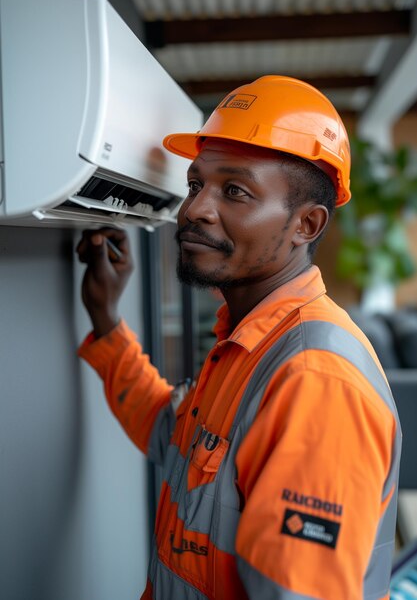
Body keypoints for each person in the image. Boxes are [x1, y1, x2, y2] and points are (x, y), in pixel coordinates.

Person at [77, 76, 401, 600]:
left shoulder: (315, 382)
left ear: (307, 224)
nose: (195, 210)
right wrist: (108, 323)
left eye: (235, 191)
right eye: (195, 185)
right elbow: (173, 438)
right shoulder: (247, 346)